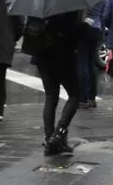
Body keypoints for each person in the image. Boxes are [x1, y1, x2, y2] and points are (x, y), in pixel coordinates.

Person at [23, 9, 83, 156]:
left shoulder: (37, 5)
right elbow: (71, 31)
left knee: (51, 97)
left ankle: (50, 138)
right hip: (63, 55)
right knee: (75, 95)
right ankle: (58, 134)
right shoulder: (68, 5)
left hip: (42, 55)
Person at [78, 0, 105, 110]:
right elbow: (104, 15)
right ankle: (91, 98)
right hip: (97, 30)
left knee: (82, 62)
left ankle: (82, 99)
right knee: (92, 63)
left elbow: (80, 15)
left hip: (85, 29)